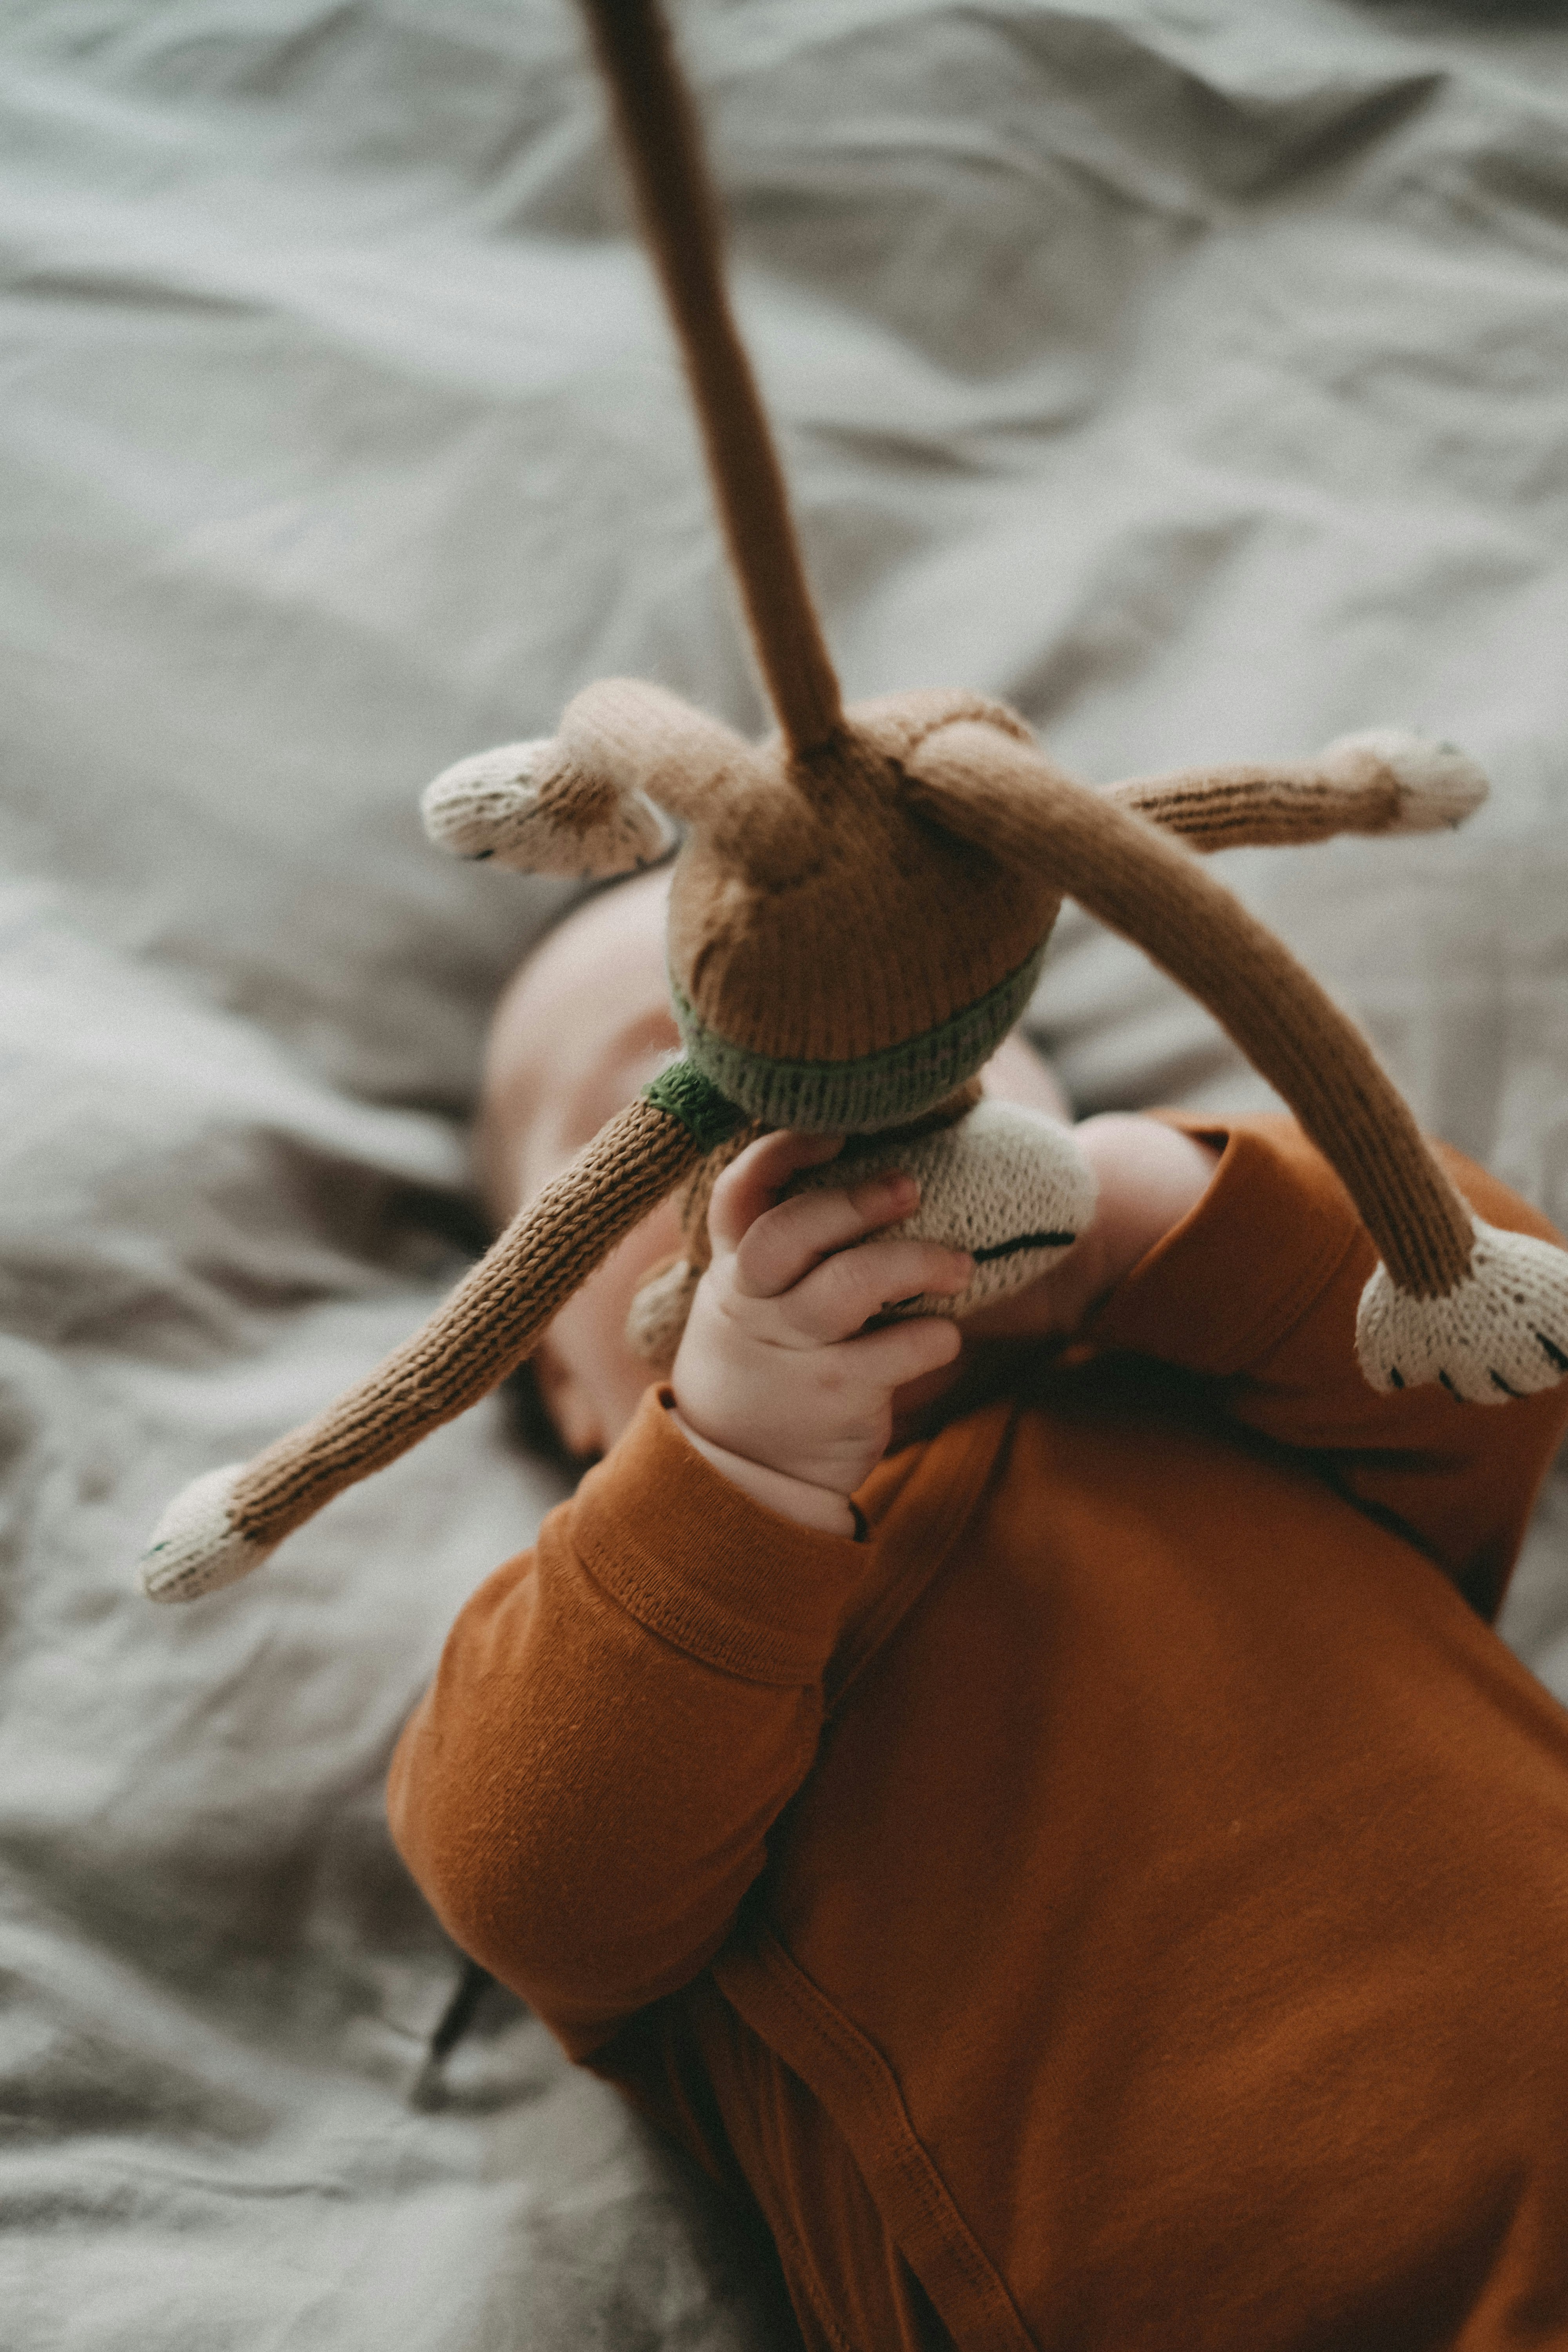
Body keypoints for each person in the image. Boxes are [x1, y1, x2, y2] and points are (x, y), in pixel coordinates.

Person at [389, 866, 1568, 2351]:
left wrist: (1127, 1219)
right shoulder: (622, 1629)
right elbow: (533, 1876)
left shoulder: (1219, 1386)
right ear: (561, 1380)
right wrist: (734, 1467)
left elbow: (1493, 1320)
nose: (804, 1110)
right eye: (658, 1100)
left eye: (908, 1037)